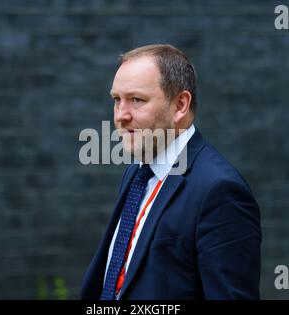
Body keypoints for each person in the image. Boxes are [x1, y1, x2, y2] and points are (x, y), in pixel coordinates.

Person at [80, 44, 261, 300]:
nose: (121, 115)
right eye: (116, 100)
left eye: (136, 100)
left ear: (180, 105)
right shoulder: (137, 173)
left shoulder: (219, 191)